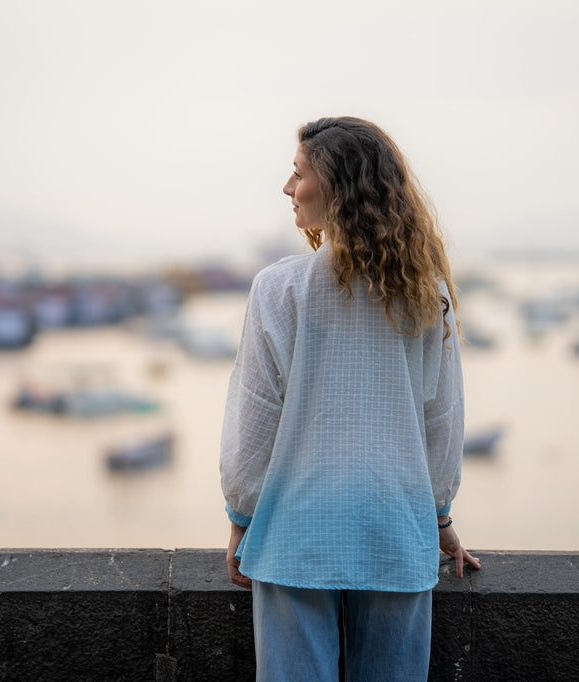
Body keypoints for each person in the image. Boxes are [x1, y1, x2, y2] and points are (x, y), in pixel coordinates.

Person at [219, 116, 479, 681]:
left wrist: (243, 517)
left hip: (295, 532)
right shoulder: (427, 295)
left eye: (298, 174)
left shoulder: (281, 287)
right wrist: (439, 520)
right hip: (398, 528)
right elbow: (442, 418)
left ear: (335, 186)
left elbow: (256, 412)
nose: (288, 188)